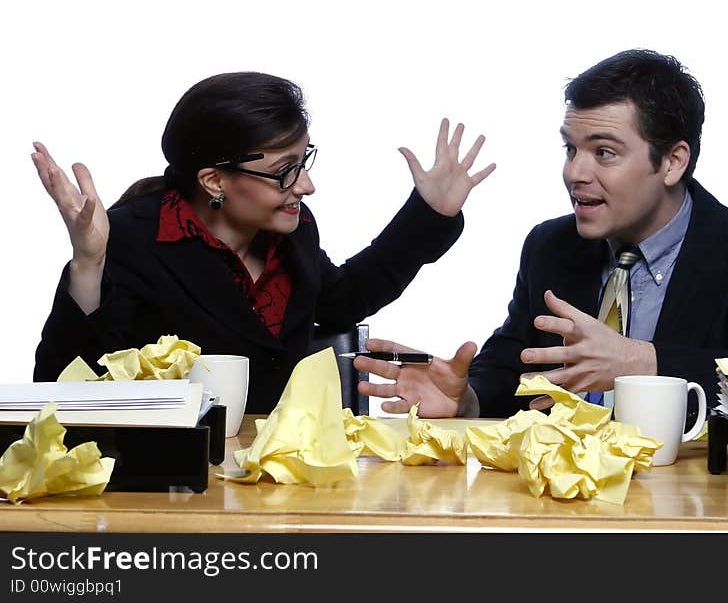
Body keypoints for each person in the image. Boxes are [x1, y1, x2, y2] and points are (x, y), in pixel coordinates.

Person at [356, 49, 728, 424]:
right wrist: (468, 399)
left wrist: (643, 362)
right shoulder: (550, 246)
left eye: (604, 152)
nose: (574, 173)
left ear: (672, 162)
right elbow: (513, 360)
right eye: (571, 148)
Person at [32, 71, 496, 413]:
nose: (306, 185)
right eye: (284, 171)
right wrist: (89, 264)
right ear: (214, 180)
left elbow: (338, 302)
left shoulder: (291, 229)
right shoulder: (133, 237)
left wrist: (428, 214)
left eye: (304, 160)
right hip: (179, 483)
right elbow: (64, 389)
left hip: (282, 474)